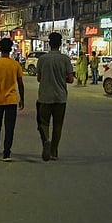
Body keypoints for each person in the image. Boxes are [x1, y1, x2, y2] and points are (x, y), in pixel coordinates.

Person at [36, 32, 74, 162]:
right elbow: (70, 79)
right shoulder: (65, 59)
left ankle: (46, 140)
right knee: (58, 125)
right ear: (60, 44)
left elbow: (39, 78)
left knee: (44, 122)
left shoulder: (42, 59)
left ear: (49, 44)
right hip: (60, 97)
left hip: (45, 97)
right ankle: (54, 152)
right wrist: (60, 78)